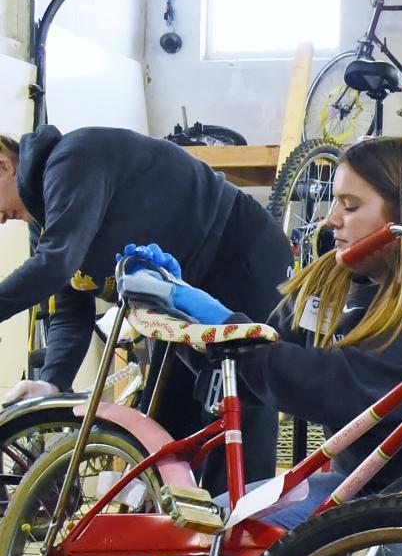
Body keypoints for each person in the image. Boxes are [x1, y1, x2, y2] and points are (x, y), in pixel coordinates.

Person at [131, 134, 402, 531]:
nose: (332, 220)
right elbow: (257, 371)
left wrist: (227, 324)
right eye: (334, 203)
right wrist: (187, 323)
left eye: (351, 205)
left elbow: (341, 387)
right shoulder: (334, 285)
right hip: (378, 490)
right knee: (225, 529)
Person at [0, 125, 292, 482]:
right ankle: (181, 531)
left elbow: (55, 264)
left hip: (238, 252)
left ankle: (241, 529)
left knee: (239, 398)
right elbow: (69, 308)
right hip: (179, 290)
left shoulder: (72, 158)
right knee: (167, 424)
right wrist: (52, 383)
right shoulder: (43, 217)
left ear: (3, 166)